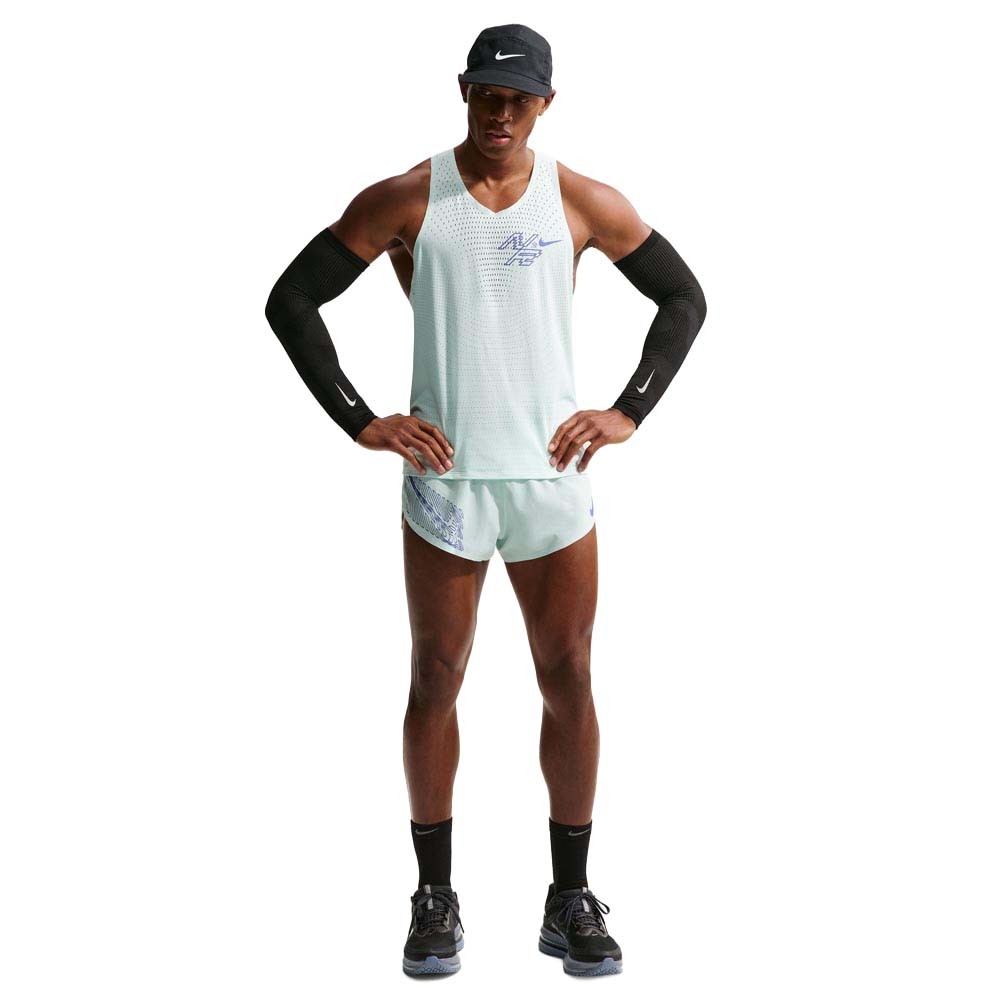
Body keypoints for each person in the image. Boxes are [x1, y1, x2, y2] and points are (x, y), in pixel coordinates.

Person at [264, 23, 707, 979]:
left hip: (551, 480)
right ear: (463, 90)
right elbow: (290, 300)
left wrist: (628, 410)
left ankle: (569, 898)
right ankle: (434, 898)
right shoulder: (407, 198)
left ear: (544, 103)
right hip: (449, 484)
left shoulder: (580, 199)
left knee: (569, 677)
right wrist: (361, 420)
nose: (499, 112)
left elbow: (683, 298)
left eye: (518, 97)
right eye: (485, 93)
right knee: (435, 677)